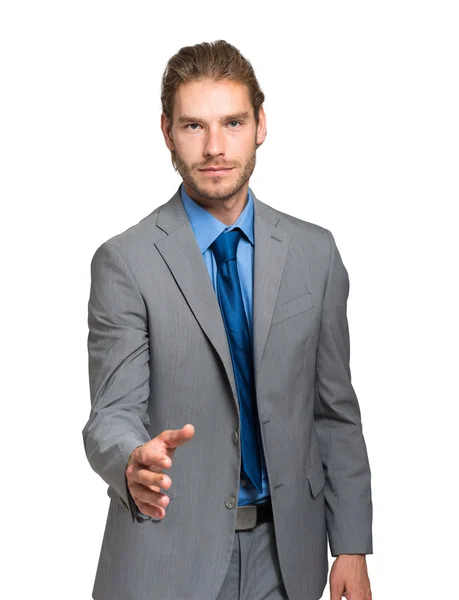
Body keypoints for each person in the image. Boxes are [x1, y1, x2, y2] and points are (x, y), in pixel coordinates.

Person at [82, 39, 373, 600]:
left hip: (287, 559)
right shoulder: (126, 262)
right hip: (165, 557)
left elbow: (334, 413)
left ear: (261, 124)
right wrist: (131, 464)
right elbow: (111, 415)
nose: (215, 147)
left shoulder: (316, 254)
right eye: (194, 126)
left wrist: (353, 545)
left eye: (232, 122)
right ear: (166, 132)